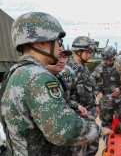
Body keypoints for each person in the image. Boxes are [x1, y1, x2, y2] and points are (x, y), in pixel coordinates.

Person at [0, 12, 113, 156]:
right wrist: (98, 130)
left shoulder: (16, 72)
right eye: (57, 41)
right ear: (41, 41)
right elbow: (63, 129)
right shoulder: (38, 77)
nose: (60, 48)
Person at [66, 36, 101, 156]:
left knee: (92, 149)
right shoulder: (68, 70)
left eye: (91, 52)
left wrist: (96, 104)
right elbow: (65, 98)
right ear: (78, 52)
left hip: (89, 116)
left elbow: (90, 87)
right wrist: (77, 106)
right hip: (78, 120)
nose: (90, 55)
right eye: (87, 52)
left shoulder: (84, 68)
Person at [90, 46, 121, 129]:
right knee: (106, 124)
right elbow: (92, 79)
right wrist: (97, 92)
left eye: (110, 60)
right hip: (107, 101)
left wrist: (120, 89)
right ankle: (107, 140)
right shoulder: (102, 66)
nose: (108, 62)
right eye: (106, 60)